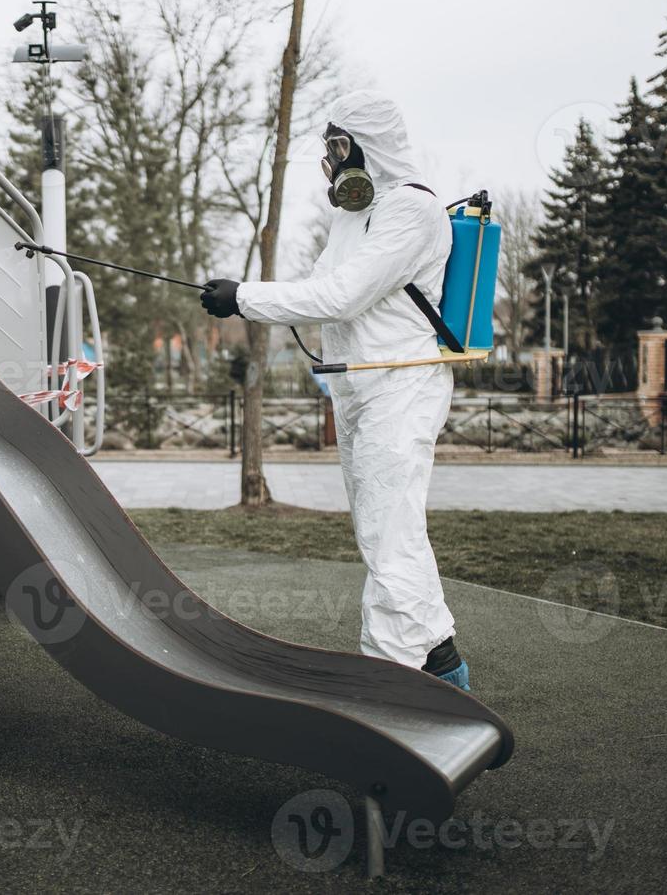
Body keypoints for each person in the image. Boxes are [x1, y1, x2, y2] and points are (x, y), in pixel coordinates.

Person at [199, 89, 470, 690]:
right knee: (388, 532)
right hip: (359, 390)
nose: (333, 158)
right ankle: (444, 666)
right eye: (329, 147)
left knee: (388, 534)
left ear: (370, 146)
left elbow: (342, 295)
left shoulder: (411, 213)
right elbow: (319, 286)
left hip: (400, 387)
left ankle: (390, 679)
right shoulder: (353, 217)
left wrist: (243, 297)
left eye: (340, 146)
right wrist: (249, 296)